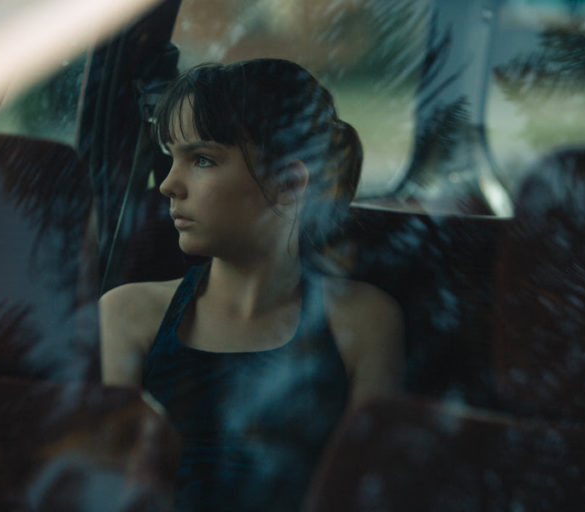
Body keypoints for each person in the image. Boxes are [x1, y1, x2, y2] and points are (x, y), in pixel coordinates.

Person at [99, 58, 405, 511]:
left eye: (202, 160)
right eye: (171, 158)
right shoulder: (128, 314)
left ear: (289, 183)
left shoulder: (361, 323)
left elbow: (365, 495)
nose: (168, 184)